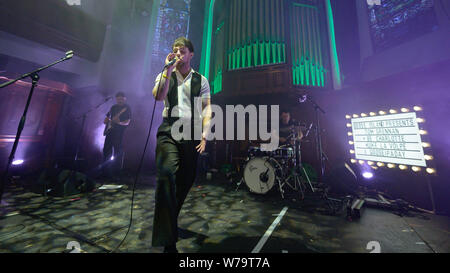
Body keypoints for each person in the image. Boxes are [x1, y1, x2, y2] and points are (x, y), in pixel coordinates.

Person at [151, 37, 212, 253]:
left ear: (191, 54)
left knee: (185, 181)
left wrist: (204, 136)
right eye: (175, 50)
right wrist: (167, 71)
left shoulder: (201, 80)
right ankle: (169, 243)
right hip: (169, 129)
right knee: (167, 175)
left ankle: (170, 221)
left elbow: (206, 109)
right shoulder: (165, 73)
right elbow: (158, 96)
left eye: (182, 50)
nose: (178, 53)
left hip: (192, 132)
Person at [102, 92, 131, 177]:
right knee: (106, 151)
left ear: (125, 99)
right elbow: (106, 119)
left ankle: (116, 174)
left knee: (117, 153)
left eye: (121, 98)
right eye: (118, 98)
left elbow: (128, 122)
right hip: (109, 132)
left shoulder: (127, 108)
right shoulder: (113, 107)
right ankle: (105, 173)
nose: (119, 100)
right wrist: (106, 121)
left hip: (119, 133)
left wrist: (119, 123)